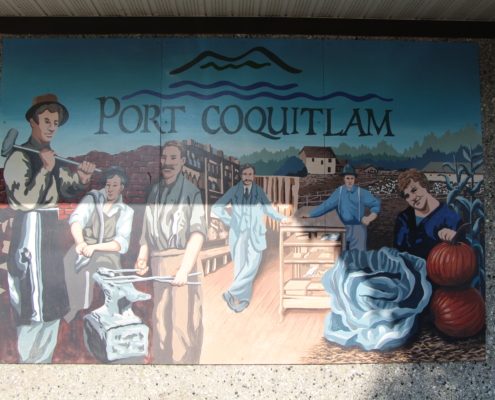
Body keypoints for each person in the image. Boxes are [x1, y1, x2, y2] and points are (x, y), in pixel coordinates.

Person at [4, 94, 96, 363]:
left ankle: (43, 363)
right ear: (33, 121)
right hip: (29, 231)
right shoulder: (19, 157)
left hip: (49, 233)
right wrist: (45, 170)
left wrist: (82, 177)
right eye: (46, 120)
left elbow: (67, 187)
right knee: (32, 302)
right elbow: (23, 200)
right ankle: (28, 366)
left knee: (53, 298)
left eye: (55, 122)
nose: (51, 127)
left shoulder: (49, 157)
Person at [134, 140, 207, 364]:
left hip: (183, 263)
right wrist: (142, 257)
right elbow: (146, 232)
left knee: (182, 326)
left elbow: (197, 234)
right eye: (164, 158)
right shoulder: (154, 191)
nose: (167, 163)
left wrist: (184, 270)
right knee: (161, 325)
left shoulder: (192, 192)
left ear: (183, 162)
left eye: (173, 158)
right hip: (159, 265)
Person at [212, 163, 292, 313]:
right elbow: (216, 207)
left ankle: (230, 293)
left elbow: (268, 210)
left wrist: (282, 218)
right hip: (238, 234)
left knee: (253, 264)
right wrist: (229, 221)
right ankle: (243, 299)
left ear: (253, 176)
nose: (248, 177)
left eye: (250, 174)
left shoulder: (258, 191)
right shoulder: (233, 191)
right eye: (245, 174)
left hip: (256, 233)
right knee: (240, 266)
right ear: (241, 176)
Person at [63, 167, 134, 322]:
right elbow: (76, 220)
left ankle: (114, 314)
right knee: (72, 277)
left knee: (112, 278)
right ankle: (74, 315)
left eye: (115, 185)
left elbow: (120, 243)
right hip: (82, 250)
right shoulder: (92, 198)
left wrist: (94, 247)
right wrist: (80, 242)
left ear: (122, 187)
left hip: (107, 253)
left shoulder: (126, 211)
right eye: (108, 184)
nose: (110, 189)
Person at [301, 164, 381, 251]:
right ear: (344, 179)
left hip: (359, 229)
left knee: (358, 256)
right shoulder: (339, 192)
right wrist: (310, 214)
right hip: (343, 228)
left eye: (352, 178)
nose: (350, 181)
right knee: (342, 254)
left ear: (354, 179)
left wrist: (369, 218)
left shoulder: (361, 193)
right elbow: (327, 205)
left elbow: (375, 204)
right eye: (347, 178)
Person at [394, 168, 464, 260]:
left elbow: (460, 257)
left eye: (414, 190)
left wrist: (454, 240)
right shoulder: (403, 218)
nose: (412, 198)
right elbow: (398, 251)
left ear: (425, 186)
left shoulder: (452, 220)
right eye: (407, 196)